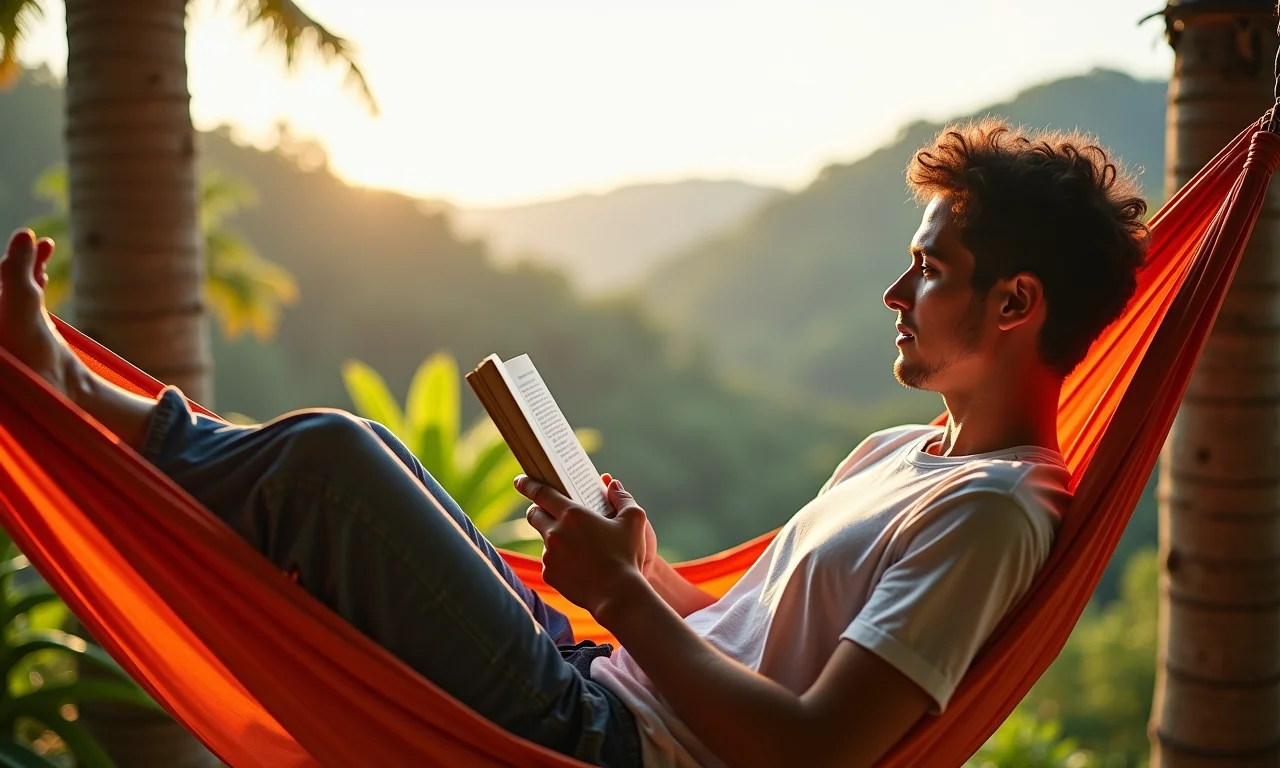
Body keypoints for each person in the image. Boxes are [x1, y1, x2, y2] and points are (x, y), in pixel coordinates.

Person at [0, 118, 1147, 768]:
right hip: (595, 676)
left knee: (332, 470)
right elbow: (747, 643)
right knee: (371, 467)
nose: (893, 290)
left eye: (931, 269)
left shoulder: (990, 512)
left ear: (1015, 305)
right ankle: (78, 401)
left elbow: (812, 756)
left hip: (600, 745)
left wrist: (627, 600)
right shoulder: (900, 454)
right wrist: (641, 569)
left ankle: (64, 403)